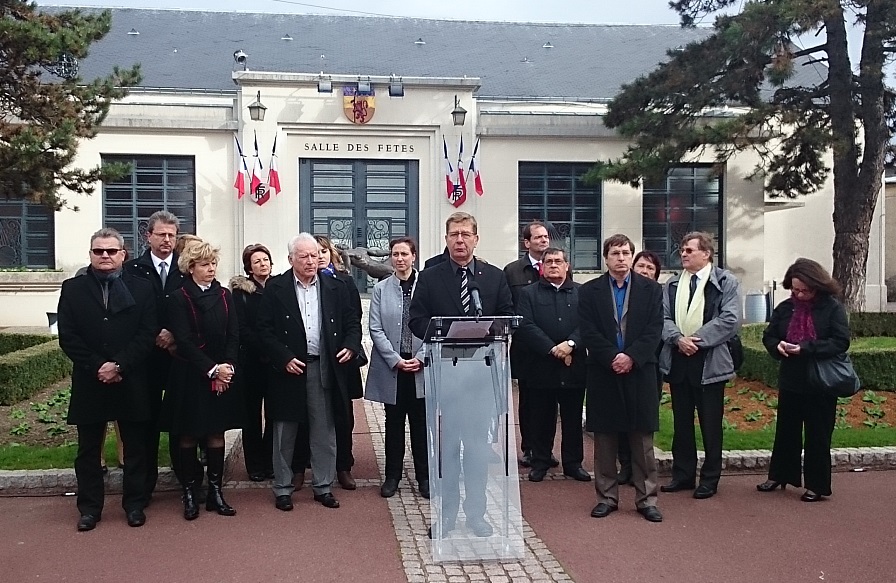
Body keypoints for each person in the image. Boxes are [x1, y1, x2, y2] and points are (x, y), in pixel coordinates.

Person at [409, 211, 514, 538]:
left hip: (483, 376)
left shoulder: (494, 277)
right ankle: (447, 515)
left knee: (478, 451)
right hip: (447, 375)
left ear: (476, 239)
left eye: (466, 234)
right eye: (454, 234)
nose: (460, 240)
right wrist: (445, 332)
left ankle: (476, 515)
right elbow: (416, 320)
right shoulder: (430, 276)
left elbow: (509, 317)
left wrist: (492, 329)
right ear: (446, 239)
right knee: (448, 451)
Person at [58, 227, 158, 531]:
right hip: (91, 379)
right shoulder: (73, 288)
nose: (105, 256)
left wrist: (119, 365)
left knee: (136, 447)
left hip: (131, 378)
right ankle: (89, 508)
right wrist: (98, 366)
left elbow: (147, 333)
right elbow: (68, 336)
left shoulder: (142, 288)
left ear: (123, 254)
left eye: (111, 251)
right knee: (88, 450)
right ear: (90, 254)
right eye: (99, 251)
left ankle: (134, 505)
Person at [256, 233, 362, 511]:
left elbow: (352, 320)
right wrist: (283, 358)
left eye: (314, 255)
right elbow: (263, 330)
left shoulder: (334, 286)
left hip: (323, 366)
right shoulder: (276, 287)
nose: (310, 261)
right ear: (291, 259)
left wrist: (351, 345)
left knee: (323, 430)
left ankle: (324, 486)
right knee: (284, 430)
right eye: (304, 256)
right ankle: (282, 488)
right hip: (289, 368)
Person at [579, 234, 664, 522]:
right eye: (615, 253)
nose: (621, 258)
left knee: (642, 439)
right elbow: (588, 330)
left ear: (632, 256)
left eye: (626, 252)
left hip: (640, 370)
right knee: (605, 439)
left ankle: (647, 499)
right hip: (604, 371)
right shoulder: (589, 291)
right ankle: (606, 497)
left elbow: (654, 329)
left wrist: (631, 357)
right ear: (606, 258)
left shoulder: (651, 290)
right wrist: (611, 357)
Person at [758, 258, 849, 502]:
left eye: (804, 290)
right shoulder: (786, 308)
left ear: (817, 285)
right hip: (792, 378)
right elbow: (769, 335)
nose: (799, 294)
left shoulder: (832, 308)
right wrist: (778, 345)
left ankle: (817, 485)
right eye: (795, 289)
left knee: (818, 434)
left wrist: (806, 348)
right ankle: (780, 475)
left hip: (820, 382)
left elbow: (840, 342)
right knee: (786, 430)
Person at [163, 241, 242, 520]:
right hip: (189, 375)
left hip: (221, 372)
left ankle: (216, 492)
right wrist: (212, 370)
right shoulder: (178, 297)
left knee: (215, 433)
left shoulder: (224, 295)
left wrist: (227, 368)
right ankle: (188, 491)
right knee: (187, 434)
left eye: (213, 264)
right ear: (191, 267)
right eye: (205, 264)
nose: (211, 269)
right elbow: (182, 341)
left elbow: (234, 334)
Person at [660, 232, 741, 500]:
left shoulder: (726, 282)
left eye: (689, 250)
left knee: (710, 424)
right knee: (682, 423)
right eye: (682, 250)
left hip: (709, 362)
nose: (683, 254)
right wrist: (677, 340)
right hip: (679, 360)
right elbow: (663, 318)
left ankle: (709, 479)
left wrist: (696, 340)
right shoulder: (672, 285)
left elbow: (729, 319)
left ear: (706, 254)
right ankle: (683, 475)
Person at [513, 247, 589, 483]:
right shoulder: (529, 294)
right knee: (540, 417)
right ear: (542, 267)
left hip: (573, 365)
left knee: (572, 418)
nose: (554, 265)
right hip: (540, 365)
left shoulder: (581, 293)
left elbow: (589, 323)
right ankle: (540, 461)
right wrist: (552, 348)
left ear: (567, 265)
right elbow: (525, 325)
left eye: (558, 261)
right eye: (549, 262)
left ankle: (573, 463)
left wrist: (571, 344)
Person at [124, 211, 186, 501]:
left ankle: (186, 479)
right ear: (147, 236)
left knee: (180, 421)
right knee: (144, 422)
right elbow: (129, 313)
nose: (167, 240)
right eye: (161, 234)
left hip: (177, 357)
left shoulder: (186, 270)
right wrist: (152, 335)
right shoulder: (132, 269)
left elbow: (192, 309)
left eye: (172, 235)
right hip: (144, 358)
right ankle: (143, 488)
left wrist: (174, 333)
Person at [367, 236, 429, 499]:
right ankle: (392, 476)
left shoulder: (427, 287)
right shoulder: (381, 288)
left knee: (420, 424)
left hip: (420, 367)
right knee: (393, 424)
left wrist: (422, 356)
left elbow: (434, 326)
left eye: (404, 254)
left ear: (414, 256)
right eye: (395, 254)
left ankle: (424, 477)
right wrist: (394, 358)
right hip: (393, 367)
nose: (399, 258)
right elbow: (375, 328)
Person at [314, 234, 363, 491]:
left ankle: (344, 465)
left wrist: (351, 345)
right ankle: (304, 465)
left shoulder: (345, 282)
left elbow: (355, 319)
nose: (319, 256)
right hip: (312, 359)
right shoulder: (302, 282)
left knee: (343, 415)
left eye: (323, 251)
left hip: (341, 360)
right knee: (308, 414)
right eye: (314, 252)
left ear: (330, 253)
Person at [504, 221, 553, 469]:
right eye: (538, 238)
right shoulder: (513, 271)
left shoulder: (559, 266)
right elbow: (509, 307)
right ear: (527, 243)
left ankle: (547, 449)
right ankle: (530, 447)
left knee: (551, 401)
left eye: (546, 237)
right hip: (526, 348)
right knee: (529, 401)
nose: (544, 241)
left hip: (554, 347)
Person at [617, 250, 663, 485]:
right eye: (641, 266)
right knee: (620, 419)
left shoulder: (655, 295)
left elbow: (655, 330)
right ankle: (625, 464)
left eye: (650, 269)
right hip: (617, 365)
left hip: (646, 366)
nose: (644, 271)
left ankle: (641, 470)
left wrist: (634, 356)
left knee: (642, 422)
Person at [230, 243, 274, 482]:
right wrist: (264, 346)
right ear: (249, 267)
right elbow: (242, 328)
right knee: (252, 416)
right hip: (251, 361)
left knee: (275, 414)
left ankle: (270, 460)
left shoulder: (278, 287)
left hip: (275, 361)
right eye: (256, 261)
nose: (262, 264)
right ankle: (255, 465)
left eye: (265, 259)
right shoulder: (241, 293)